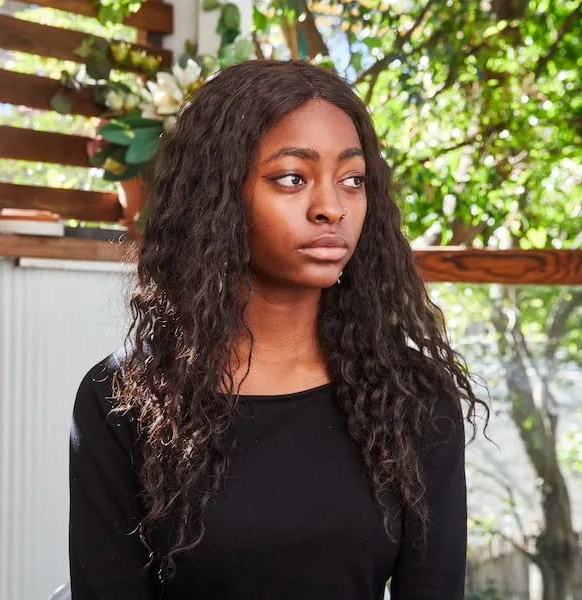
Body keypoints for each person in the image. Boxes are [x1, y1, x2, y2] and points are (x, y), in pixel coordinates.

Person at [68, 59, 486, 599]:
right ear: (217, 197)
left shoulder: (413, 395)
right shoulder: (122, 401)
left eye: (352, 180)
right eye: (292, 178)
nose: (331, 208)